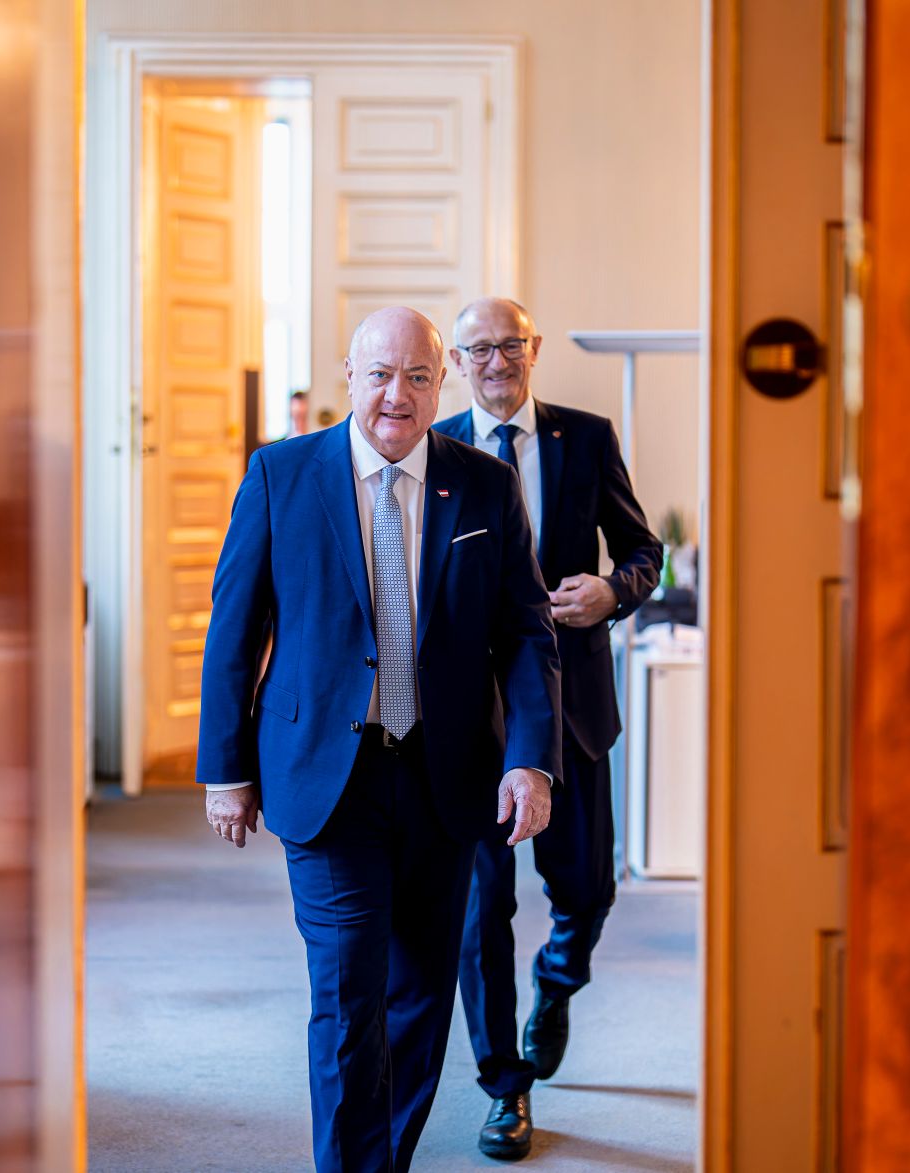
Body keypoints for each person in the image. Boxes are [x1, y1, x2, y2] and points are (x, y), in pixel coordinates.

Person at [197, 306, 563, 1172]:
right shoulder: (283, 476)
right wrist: (225, 769)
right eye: (379, 374)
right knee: (347, 989)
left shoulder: (481, 485)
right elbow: (234, 626)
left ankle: (380, 1161)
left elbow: (523, 633)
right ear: (349, 377)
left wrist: (530, 760)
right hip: (328, 777)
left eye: (419, 377)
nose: (397, 395)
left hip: (445, 777)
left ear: (445, 385)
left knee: (422, 995)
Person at [435, 297, 662, 1160]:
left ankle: (558, 982)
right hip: (471, 720)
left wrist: (614, 591)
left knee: (587, 892)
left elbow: (645, 549)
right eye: (479, 348)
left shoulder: (586, 437)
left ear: (533, 350)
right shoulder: (438, 444)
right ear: (458, 361)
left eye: (510, 345)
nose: (496, 360)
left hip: (573, 706)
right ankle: (504, 1085)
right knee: (479, 910)